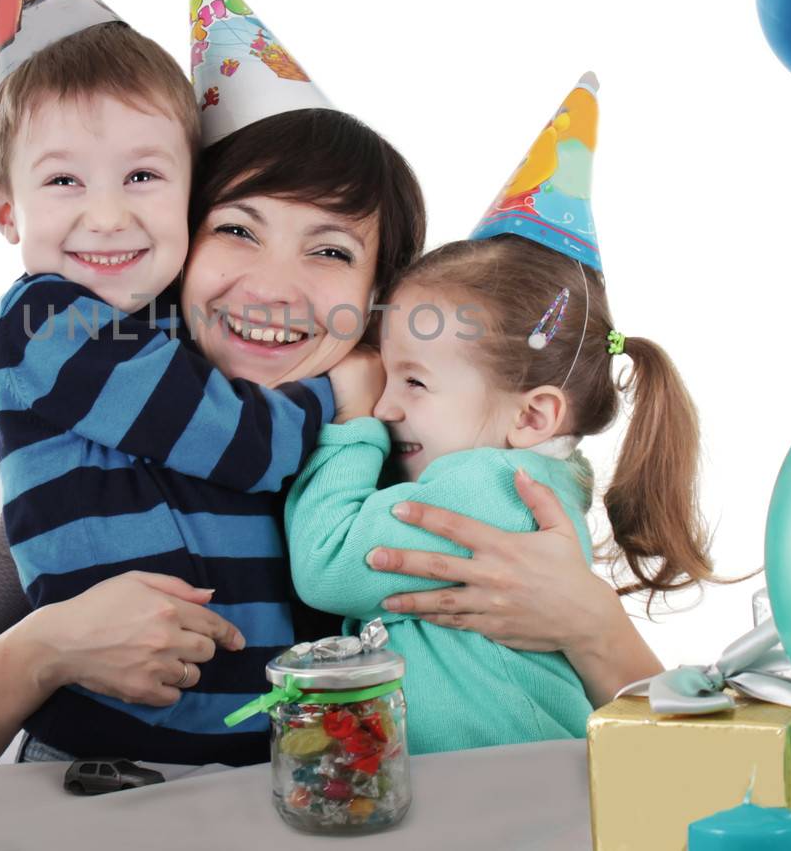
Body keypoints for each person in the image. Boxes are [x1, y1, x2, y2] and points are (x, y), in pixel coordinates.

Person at [0, 0, 663, 773]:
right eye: (237, 229)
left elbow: (679, 758)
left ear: (380, 299)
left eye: (331, 250)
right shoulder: (109, 456)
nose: (273, 286)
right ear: (178, 242)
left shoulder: (425, 467)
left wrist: (593, 626)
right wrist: (45, 646)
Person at [0, 0, 382, 764]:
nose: (108, 216)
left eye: (143, 177)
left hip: (248, 758)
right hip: (106, 754)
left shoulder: (164, 339)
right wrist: (338, 388)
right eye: (62, 181)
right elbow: (243, 442)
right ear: (5, 210)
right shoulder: (44, 321)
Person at [283, 74, 711, 754]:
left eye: (414, 382)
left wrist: (351, 424)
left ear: (534, 416)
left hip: (507, 803)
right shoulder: (525, 481)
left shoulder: (481, 486)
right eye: (386, 374)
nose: (389, 403)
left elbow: (327, 560)